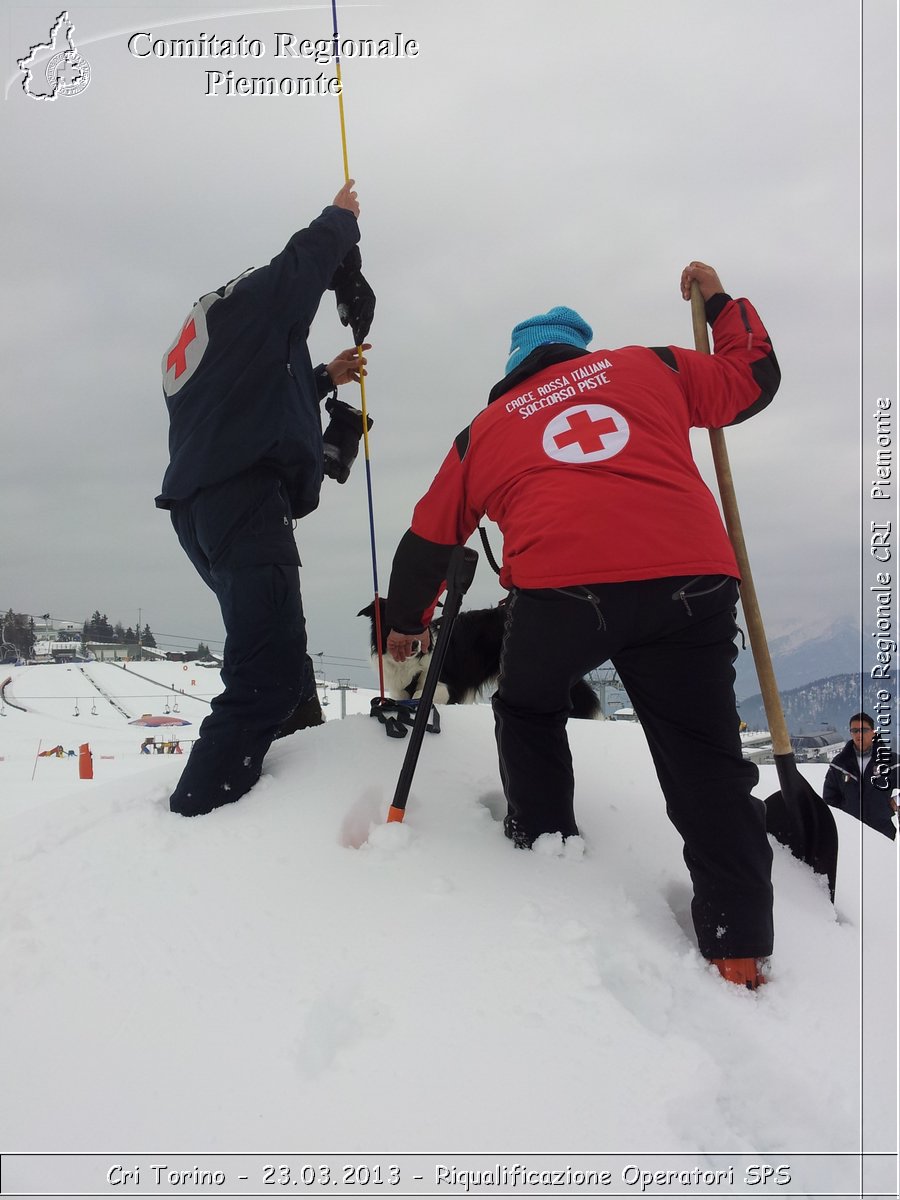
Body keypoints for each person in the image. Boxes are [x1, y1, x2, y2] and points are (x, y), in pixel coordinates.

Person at [385, 262, 780, 989]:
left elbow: (427, 544)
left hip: (564, 590)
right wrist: (719, 300)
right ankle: (739, 949)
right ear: (582, 353)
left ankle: (545, 845)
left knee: (529, 707)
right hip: (689, 579)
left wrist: (405, 624)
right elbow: (754, 375)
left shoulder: (487, 429)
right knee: (704, 759)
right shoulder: (652, 367)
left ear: (513, 371)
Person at [156, 181, 375, 817]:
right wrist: (340, 220)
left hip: (203, 512)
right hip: (246, 505)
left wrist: (321, 379)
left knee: (283, 662)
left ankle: (292, 796)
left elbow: (246, 406)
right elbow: (302, 264)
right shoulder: (255, 300)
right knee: (267, 676)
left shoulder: (202, 341)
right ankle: (201, 811)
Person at [824, 712, 899, 840]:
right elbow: (829, 799)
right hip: (850, 835)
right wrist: (844, 815)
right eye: (855, 730)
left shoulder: (890, 761)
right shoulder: (840, 764)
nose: (859, 734)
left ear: (873, 732)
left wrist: (895, 801)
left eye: (863, 730)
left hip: (882, 832)